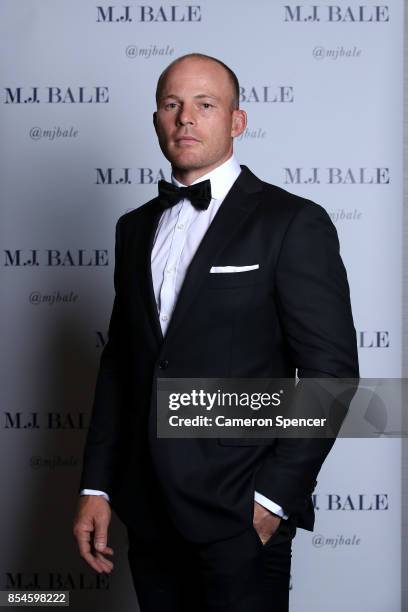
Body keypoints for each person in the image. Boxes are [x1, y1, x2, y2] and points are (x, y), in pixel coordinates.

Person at [73, 53, 359, 612]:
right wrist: (97, 487)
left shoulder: (292, 222)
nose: (186, 118)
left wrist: (271, 500)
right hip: (147, 510)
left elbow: (332, 375)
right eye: (172, 105)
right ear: (156, 118)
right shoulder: (133, 229)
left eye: (205, 105)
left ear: (237, 121)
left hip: (239, 512)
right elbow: (121, 367)